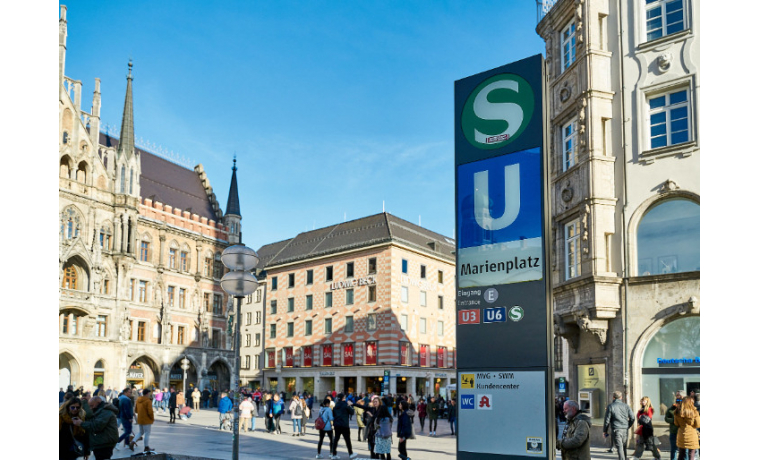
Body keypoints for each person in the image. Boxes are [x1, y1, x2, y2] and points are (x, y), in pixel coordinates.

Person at [75, 396, 119, 460]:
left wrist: (81, 423)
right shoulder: (100, 410)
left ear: (98, 402)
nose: (91, 408)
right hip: (102, 442)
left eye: (92, 405)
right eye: (89, 406)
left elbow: (96, 426)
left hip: (105, 443)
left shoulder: (105, 411)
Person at [603, 390, 636, 460]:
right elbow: (632, 417)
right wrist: (628, 425)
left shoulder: (610, 406)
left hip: (616, 428)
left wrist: (605, 431)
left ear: (613, 397)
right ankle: (624, 458)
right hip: (625, 429)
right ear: (621, 397)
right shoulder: (626, 406)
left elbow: (607, 420)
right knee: (623, 446)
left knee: (620, 447)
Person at [331, 393, 359, 459]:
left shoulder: (336, 405)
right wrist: (350, 405)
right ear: (343, 398)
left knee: (336, 439)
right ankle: (350, 453)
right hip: (344, 424)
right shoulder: (345, 405)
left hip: (337, 424)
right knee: (347, 440)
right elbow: (352, 412)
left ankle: (334, 454)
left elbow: (333, 414)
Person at [134, 388, 155, 454]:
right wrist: (152, 418)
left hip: (140, 418)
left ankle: (133, 441)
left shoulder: (138, 400)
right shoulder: (148, 401)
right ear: (147, 393)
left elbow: (136, 410)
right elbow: (150, 411)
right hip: (147, 419)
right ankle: (146, 447)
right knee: (147, 433)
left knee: (141, 432)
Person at [664, 392, 684, 460]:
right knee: (674, 449)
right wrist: (674, 420)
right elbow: (666, 418)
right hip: (674, 431)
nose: (678, 401)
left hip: (683, 432)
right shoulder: (671, 409)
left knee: (684, 450)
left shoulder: (685, 409)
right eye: (677, 398)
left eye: (680, 399)